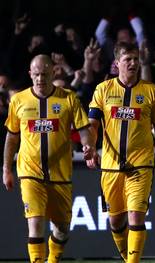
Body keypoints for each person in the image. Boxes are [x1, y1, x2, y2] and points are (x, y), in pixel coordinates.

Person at [2, 54, 95, 263]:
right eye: (36, 74)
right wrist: (7, 168)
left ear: (54, 72)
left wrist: (88, 145)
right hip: (30, 172)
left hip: (60, 174)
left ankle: (52, 260)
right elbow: (11, 138)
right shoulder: (18, 101)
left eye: (44, 74)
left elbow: (84, 129)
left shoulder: (68, 98)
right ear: (30, 74)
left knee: (62, 228)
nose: (40, 79)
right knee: (35, 223)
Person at [86, 42, 155, 263]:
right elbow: (93, 125)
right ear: (117, 63)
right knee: (115, 221)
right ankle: (127, 258)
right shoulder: (103, 89)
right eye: (128, 59)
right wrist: (90, 147)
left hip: (140, 165)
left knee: (135, 216)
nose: (133, 63)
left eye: (136, 59)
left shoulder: (151, 91)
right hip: (110, 166)